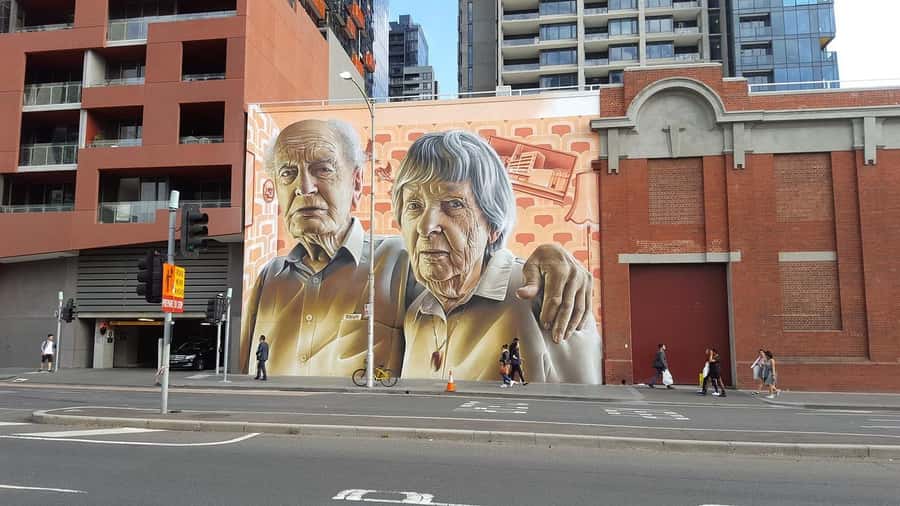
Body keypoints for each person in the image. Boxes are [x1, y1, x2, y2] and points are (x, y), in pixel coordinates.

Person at [242, 119, 594, 378]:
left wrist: (552, 256)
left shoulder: (401, 263)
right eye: (288, 173)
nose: (304, 187)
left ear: (357, 183)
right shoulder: (268, 279)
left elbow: (478, 267)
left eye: (322, 169)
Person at [394, 130, 602, 383]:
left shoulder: (545, 296)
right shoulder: (417, 313)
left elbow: (582, 413)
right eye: (414, 206)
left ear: (493, 226)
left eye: (453, 204)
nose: (426, 226)